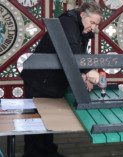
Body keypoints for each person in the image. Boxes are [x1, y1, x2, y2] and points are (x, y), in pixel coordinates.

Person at [20, 1, 102, 157]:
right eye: (92, 23)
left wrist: (83, 76)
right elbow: (72, 48)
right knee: (35, 121)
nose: (93, 27)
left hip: (50, 81)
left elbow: (79, 54)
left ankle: (48, 152)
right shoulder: (68, 22)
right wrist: (89, 70)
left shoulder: (80, 28)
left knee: (47, 119)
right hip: (39, 79)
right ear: (83, 15)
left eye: (95, 25)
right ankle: (33, 154)